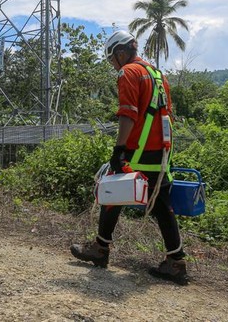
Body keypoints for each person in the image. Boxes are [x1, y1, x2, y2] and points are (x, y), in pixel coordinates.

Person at [70, 31, 189, 285]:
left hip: (138, 149)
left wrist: (119, 149)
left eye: (112, 59)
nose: (113, 64)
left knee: (112, 192)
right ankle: (176, 262)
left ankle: (100, 250)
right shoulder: (158, 74)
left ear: (121, 53)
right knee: (161, 203)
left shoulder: (128, 73)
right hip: (162, 148)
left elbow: (128, 114)